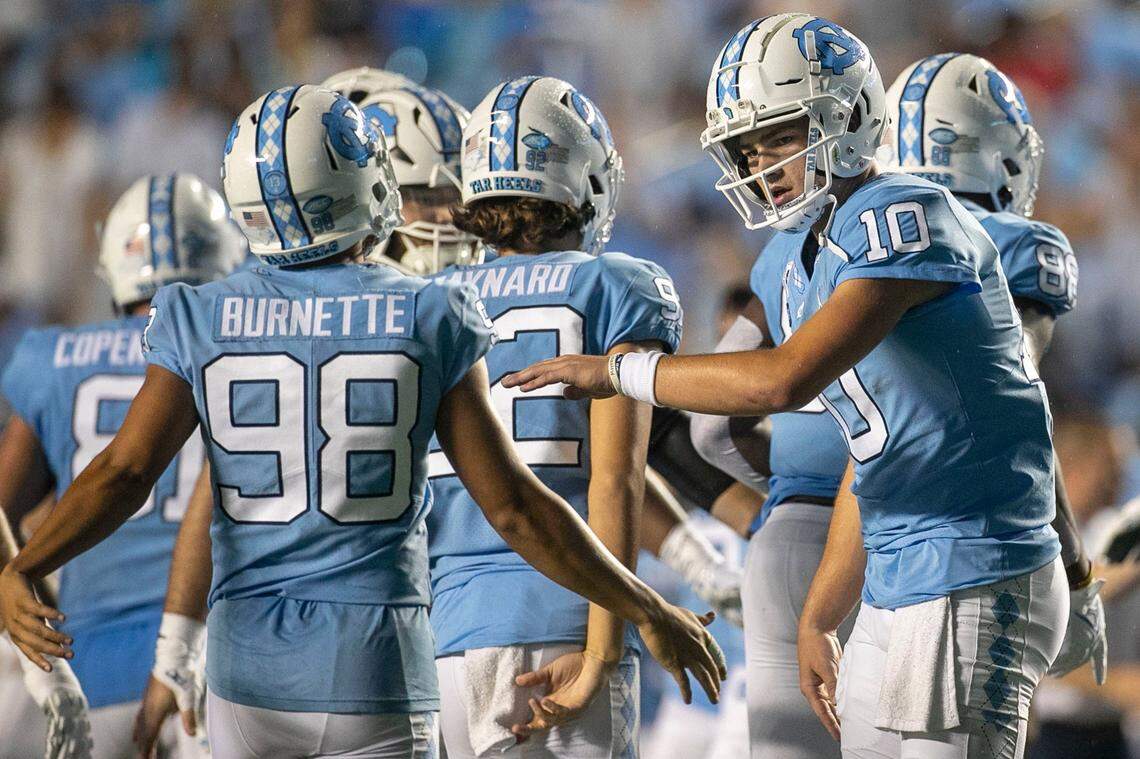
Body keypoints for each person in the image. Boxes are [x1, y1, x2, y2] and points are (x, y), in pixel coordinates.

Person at [0, 85, 724, 759]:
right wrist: (645, 603)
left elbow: (123, 474)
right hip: (377, 662)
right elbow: (515, 504)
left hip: (247, 674)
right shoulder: (428, 311)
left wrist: (22, 567)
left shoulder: (198, 314)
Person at [502, 15, 1070, 758]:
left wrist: (619, 371)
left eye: (779, 137)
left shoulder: (909, 215)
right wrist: (819, 613)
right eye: (747, 147)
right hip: (900, 564)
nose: (761, 164)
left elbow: (779, 382)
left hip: (976, 560)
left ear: (851, 117)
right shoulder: (797, 261)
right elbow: (875, 455)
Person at [425, 75, 681, 758]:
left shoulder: (433, 297)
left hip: (447, 632)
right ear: (583, 177)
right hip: (570, 611)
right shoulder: (617, 283)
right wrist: (605, 644)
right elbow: (614, 480)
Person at [0, 173, 244, 758]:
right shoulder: (242, 342)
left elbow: (4, 508)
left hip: (87, 666)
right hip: (216, 664)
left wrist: (18, 588)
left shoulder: (50, 356)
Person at [883, 51, 1104, 685]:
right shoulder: (1011, 243)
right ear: (998, 153)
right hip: (951, 548)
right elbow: (1009, 401)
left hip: (843, 541)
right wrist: (1077, 566)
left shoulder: (836, 242)